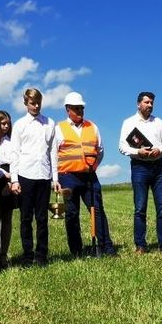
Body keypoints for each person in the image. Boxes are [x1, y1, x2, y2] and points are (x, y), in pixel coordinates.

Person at [55, 92, 116, 257]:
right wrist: (55, 179)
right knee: (72, 214)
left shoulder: (92, 127)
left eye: (81, 108)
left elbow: (100, 151)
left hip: (89, 175)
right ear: (68, 109)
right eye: (76, 108)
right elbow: (52, 154)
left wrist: (93, 166)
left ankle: (106, 248)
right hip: (67, 176)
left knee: (97, 210)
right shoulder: (59, 128)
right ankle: (76, 251)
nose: (80, 111)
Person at [119, 91, 162, 254]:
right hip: (139, 167)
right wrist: (138, 152)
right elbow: (122, 147)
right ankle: (140, 245)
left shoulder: (159, 122)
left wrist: (160, 150)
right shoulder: (128, 123)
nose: (150, 105)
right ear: (138, 104)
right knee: (140, 207)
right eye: (146, 102)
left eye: (151, 103)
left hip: (159, 167)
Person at [8, 88, 57, 266]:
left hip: (44, 175)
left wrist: (55, 178)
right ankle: (27, 255)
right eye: (32, 103)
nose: (36, 106)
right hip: (25, 175)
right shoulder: (20, 125)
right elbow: (15, 153)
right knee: (25, 218)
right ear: (25, 103)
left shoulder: (49, 123)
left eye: (38, 103)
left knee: (42, 218)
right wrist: (14, 179)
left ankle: (42, 255)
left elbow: (53, 152)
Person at [0, 110, 17, 268]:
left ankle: (3, 254)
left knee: (7, 219)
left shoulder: (11, 141)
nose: (6, 126)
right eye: (3, 123)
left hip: (8, 180)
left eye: (8, 123)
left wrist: (11, 180)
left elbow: (15, 161)